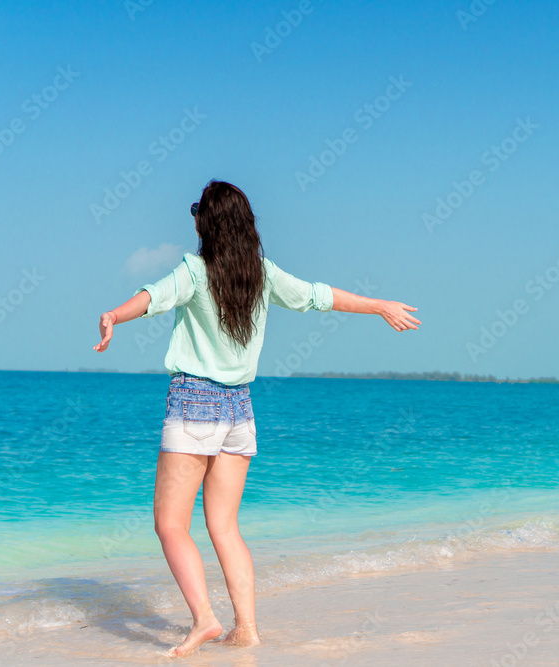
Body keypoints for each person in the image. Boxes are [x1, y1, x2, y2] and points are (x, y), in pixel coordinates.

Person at [92, 180, 420, 657]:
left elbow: (153, 296)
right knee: (224, 527)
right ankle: (246, 627)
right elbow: (318, 296)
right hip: (239, 410)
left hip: (194, 403)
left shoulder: (196, 271)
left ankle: (205, 619)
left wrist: (113, 317)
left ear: (205, 223)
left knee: (169, 525)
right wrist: (378, 305)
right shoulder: (261, 274)